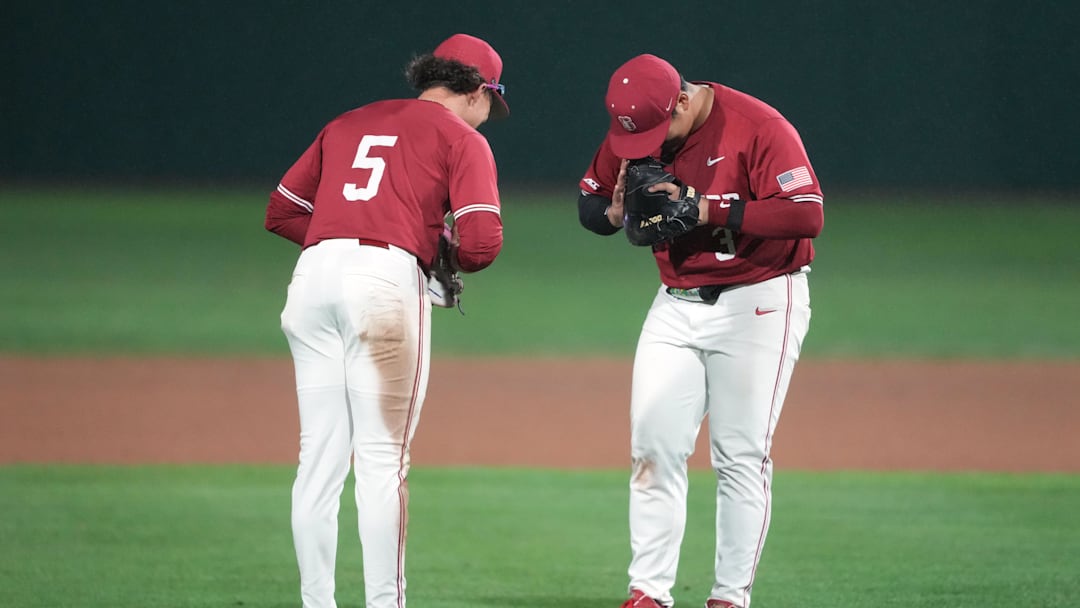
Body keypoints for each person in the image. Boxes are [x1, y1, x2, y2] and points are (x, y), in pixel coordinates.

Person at [264, 33, 508, 608]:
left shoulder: (349, 121)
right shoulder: (460, 138)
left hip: (312, 279)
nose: (488, 116)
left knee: (318, 461)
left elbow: (282, 212)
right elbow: (480, 244)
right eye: (490, 103)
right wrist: (421, 251)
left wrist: (344, 237)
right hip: (381, 287)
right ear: (475, 91)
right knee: (381, 462)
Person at [577, 54, 824, 608]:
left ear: (684, 100)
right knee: (653, 446)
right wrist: (614, 214)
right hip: (675, 301)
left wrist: (707, 208)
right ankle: (648, 594)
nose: (647, 149)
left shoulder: (759, 127)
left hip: (759, 299)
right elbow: (591, 205)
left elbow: (807, 214)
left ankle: (729, 598)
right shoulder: (635, 125)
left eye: (660, 132)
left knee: (739, 456)